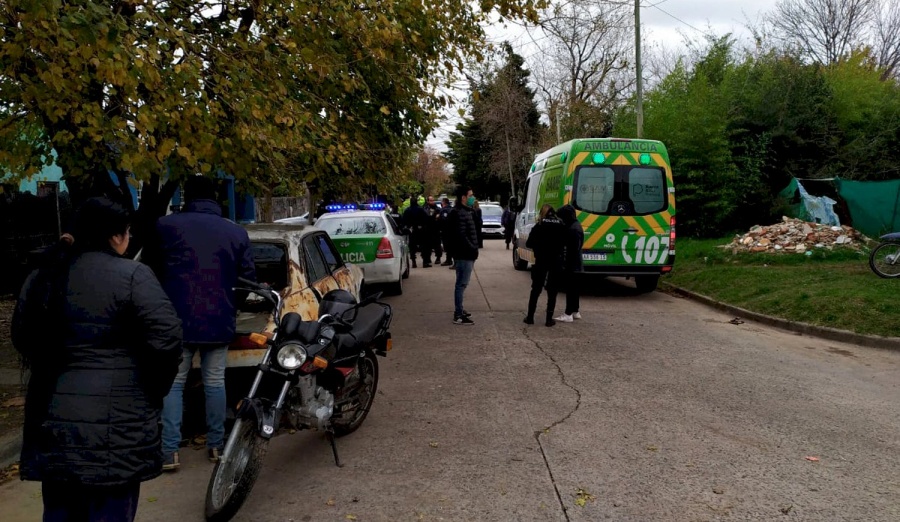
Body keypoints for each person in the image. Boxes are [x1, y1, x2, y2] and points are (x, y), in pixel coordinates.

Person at [12, 197, 183, 522]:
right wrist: (150, 390)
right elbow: (167, 340)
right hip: (116, 432)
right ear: (116, 236)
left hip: (53, 423)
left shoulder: (43, 275)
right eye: (128, 233)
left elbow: (23, 338)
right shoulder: (133, 275)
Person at [144, 176, 257, 470]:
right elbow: (247, 281)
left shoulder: (165, 227)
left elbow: (150, 272)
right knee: (215, 381)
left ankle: (169, 451)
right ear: (216, 198)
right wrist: (233, 306)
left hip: (173, 321)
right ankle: (216, 446)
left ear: (186, 196)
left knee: (174, 383)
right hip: (218, 320)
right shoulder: (235, 233)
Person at [524, 204, 567, 327]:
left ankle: (530, 317)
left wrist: (540, 246)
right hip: (556, 261)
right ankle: (549, 319)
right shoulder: (561, 225)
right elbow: (565, 242)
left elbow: (529, 243)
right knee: (552, 291)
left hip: (541, 261)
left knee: (536, 289)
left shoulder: (540, 225)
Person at [450, 188, 479, 325]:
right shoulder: (460, 213)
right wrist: (472, 248)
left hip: (466, 253)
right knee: (461, 284)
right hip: (464, 254)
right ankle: (458, 315)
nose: (473, 198)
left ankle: (460, 309)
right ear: (463, 197)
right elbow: (461, 235)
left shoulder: (466, 211)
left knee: (462, 283)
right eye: (470, 195)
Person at [556, 205, 584, 322]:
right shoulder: (576, 226)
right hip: (577, 264)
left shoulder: (572, 229)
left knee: (570, 289)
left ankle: (568, 314)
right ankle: (575, 311)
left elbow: (571, 249)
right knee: (575, 288)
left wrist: (564, 263)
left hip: (572, 264)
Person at [402, 194, 431, 268]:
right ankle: (425, 262)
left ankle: (413, 262)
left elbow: (404, 221)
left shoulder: (407, 210)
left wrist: (407, 227)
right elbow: (426, 219)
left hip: (412, 231)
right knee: (424, 246)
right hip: (421, 230)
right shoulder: (421, 209)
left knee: (412, 247)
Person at [423, 195, 443, 265]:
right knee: (427, 246)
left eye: (433, 200)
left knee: (437, 244)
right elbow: (427, 216)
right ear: (428, 201)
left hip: (436, 229)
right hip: (427, 229)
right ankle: (427, 259)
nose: (432, 202)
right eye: (431, 200)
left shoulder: (437, 208)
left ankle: (438, 257)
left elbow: (440, 215)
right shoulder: (425, 208)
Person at [438, 197, 455, 267]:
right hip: (452, 231)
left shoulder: (444, 210)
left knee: (447, 246)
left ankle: (449, 260)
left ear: (443, 203)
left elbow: (444, 220)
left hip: (446, 231)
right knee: (450, 246)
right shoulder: (452, 209)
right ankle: (449, 259)